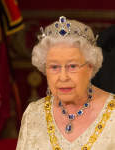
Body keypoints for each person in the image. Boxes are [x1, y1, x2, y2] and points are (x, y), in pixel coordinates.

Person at [16, 16, 115, 150]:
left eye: (72, 66)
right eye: (54, 67)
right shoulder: (33, 114)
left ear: (90, 67)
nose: (63, 77)